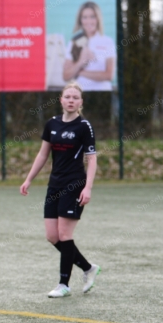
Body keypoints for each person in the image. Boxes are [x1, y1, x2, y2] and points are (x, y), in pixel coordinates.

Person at [20, 81, 100, 298]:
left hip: (74, 185)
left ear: (80, 102)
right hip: (54, 184)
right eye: (68, 97)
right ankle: (88, 268)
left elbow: (91, 159)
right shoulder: (52, 123)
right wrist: (28, 179)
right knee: (52, 236)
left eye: (75, 98)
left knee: (65, 234)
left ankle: (63, 284)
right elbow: (43, 154)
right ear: (61, 100)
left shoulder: (84, 126)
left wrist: (88, 188)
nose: (71, 101)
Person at [62, 2, 116, 91]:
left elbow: (109, 75)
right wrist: (81, 61)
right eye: (85, 17)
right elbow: (66, 75)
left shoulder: (107, 42)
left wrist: (80, 72)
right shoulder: (74, 42)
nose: (89, 21)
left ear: (98, 18)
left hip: (102, 93)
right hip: (80, 93)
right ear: (80, 20)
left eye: (92, 16)